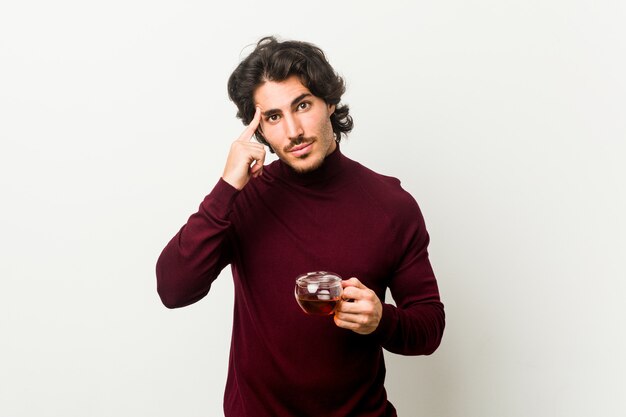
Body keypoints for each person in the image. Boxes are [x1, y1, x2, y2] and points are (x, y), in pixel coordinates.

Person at [156, 36, 445, 417]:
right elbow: (174, 290)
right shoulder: (242, 200)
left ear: (330, 103)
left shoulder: (391, 205)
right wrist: (225, 188)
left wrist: (381, 320)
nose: (293, 131)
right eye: (274, 116)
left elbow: (429, 327)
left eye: (303, 105)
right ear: (258, 129)